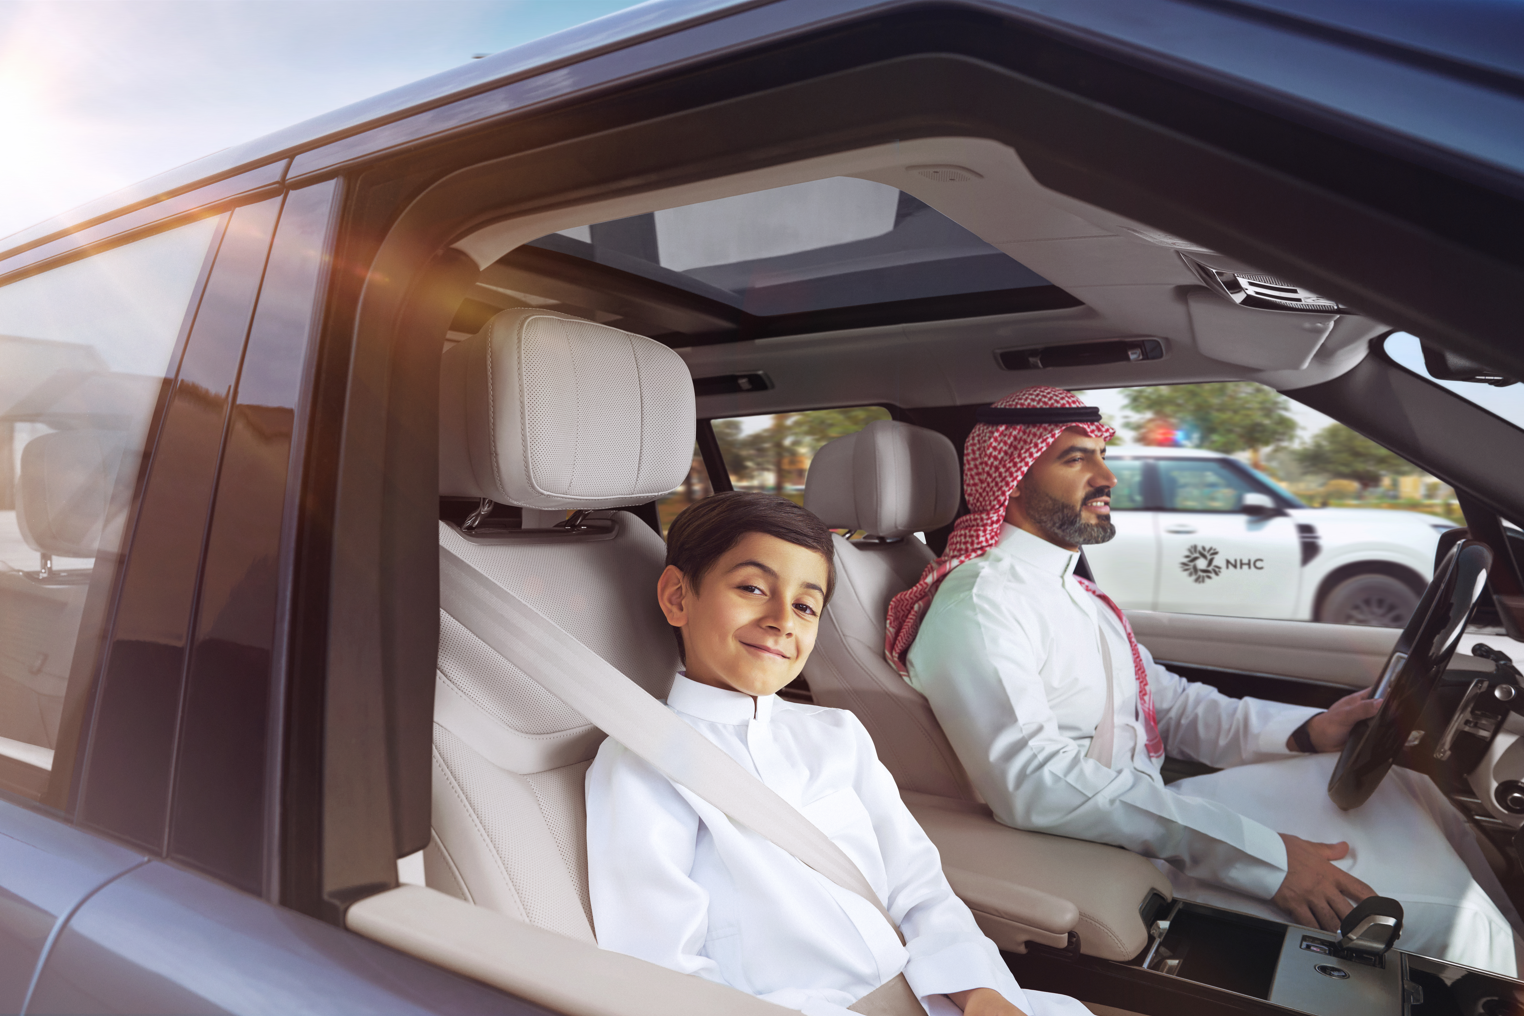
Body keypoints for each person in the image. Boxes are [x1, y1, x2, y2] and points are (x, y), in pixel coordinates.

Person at [888, 385, 1521, 976]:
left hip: (1151, 814)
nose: (1106, 477)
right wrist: (1270, 860)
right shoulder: (981, 604)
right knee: (1463, 920)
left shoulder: (1070, 591)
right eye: (1076, 459)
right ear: (1012, 480)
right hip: (1105, 846)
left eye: (1103, 455)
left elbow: (1171, 705)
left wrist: (1309, 731)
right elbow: (1036, 784)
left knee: (1410, 786)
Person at [586, 492, 1092, 1016]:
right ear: (677, 597)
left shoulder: (836, 733)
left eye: (805, 606)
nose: (782, 620)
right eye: (753, 588)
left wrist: (981, 993)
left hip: (925, 995)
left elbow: (919, 887)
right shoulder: (643, 761)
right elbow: (662, 970)